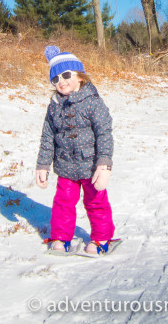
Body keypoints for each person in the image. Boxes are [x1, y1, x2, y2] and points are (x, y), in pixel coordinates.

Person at [36, 45, 116, 255]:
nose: (61, 81)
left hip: (91, 167)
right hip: (65, 167)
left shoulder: (93, 102)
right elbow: (47, 136)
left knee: (96, 202)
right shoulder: (54, 105)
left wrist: (104, 164)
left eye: (66, 75)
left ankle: (101, 238)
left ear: (79, 76)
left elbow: (104, 133)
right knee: (63, 203)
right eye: (55, 79)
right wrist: (43, 165)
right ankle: (61, 237)